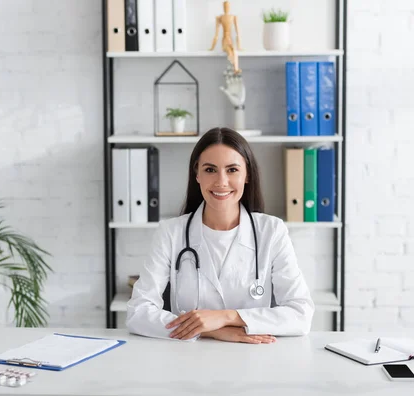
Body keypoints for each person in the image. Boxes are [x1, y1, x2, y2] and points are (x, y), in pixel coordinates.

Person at [126, 127, 314, 343]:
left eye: (232, 170)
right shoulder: (171, 233)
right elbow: (138, 312)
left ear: (247, 175)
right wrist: (209, 330)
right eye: (210, 170)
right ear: (197, 174)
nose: (221, 181)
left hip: (253, 358)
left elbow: (301, 313)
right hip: (188, 359)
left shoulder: (271, 231)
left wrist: (225, 317)